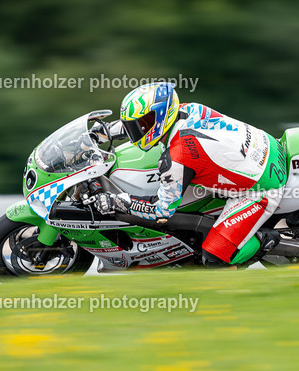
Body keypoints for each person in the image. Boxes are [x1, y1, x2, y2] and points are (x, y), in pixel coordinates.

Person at [91, 82, 285, 266]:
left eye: (142, 124)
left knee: (214, 257)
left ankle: (266, 239)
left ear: (159, 117)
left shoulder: (178, 156)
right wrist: (106, 131)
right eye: (135, 125)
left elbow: (162, 210)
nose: (137, 131)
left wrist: (116, 201)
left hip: (261, 188)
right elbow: (147, 124)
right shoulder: (188, 109)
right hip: (267, 146)